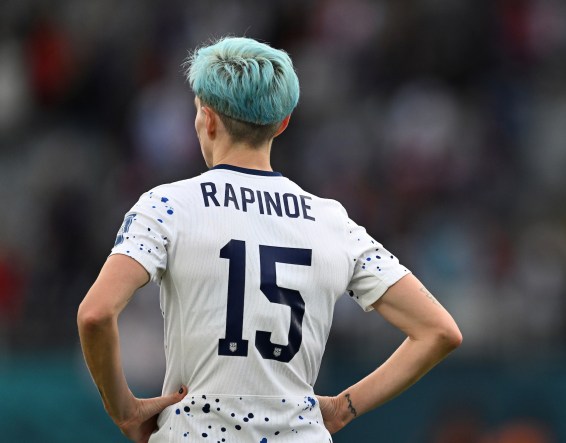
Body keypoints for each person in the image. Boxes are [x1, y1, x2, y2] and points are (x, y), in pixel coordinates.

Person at [77, 36, 462, 443]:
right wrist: (343, 408)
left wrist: (124, 409)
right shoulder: (332, 222)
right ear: (282, 123)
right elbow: (439, 331)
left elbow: (95, 314)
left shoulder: (168, 206)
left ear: (208, 119)